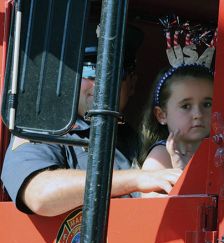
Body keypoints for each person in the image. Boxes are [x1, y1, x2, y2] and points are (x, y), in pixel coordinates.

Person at [1, 23, 181, 216]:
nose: (101, 84)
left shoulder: (140, 141)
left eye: (114, 73)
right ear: (71, 79)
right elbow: (39, 195)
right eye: (90, 71)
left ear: (132, 84)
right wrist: (136, 180)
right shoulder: (45, 131)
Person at [139, 64, 213, 195]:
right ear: (162, 115)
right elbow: (152, 206)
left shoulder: (216, 151)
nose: (198, 114)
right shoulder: (161, 156)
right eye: (186, 106)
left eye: (207, 104)